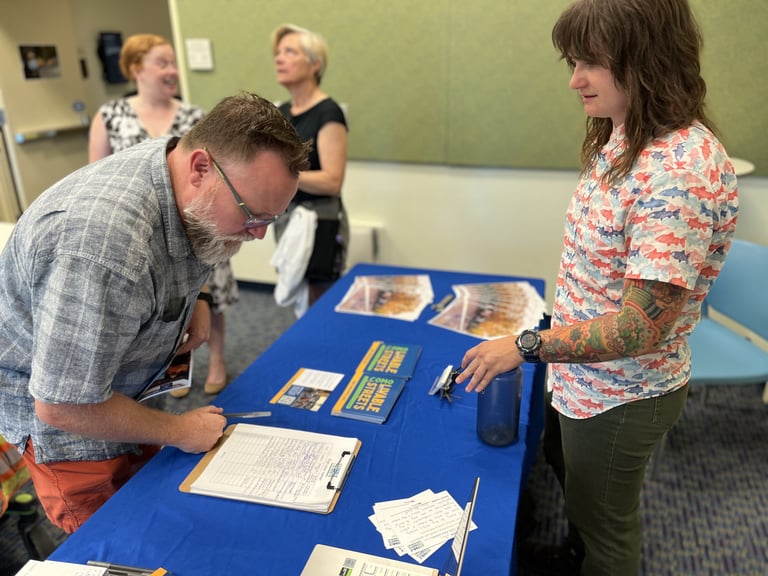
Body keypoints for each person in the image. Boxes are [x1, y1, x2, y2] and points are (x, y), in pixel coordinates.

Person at [455, 1, 739, 574]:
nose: (574, 80)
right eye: (572, 61)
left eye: (591, 63)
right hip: (585, 375)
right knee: (573, 484)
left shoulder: (676, 171)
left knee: (607, 529)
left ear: (647, 61)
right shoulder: (626, 130)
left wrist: (527, 346)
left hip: (621, 391)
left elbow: (641, 325)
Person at [0, 92, 310, 533]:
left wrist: (198, 296)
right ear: (201, 168)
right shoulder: (101, 247)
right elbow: (62, 405)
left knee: (156, 508)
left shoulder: (180, 160)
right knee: (119, 540)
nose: (259, 235)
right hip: (75, 431)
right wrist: (178, 431)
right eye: (252, 214)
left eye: (270, 219)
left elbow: (198, 232)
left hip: (132, 387)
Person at [89, 33, 233, 397]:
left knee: (209, 295)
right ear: (137, 68)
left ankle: (217, 358)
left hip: (196, 228)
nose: (172, 71)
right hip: (141, 234)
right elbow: (96, 177)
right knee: (160, 306)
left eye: (173, 63)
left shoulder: (194, 116)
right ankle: (173, 366)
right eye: (162, 63)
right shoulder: (110, 115)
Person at [271, 23, 349, 311]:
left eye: (289, 52)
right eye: (278, 52)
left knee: (319, 302)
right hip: (287, 217)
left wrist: (284, 174)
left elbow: (332, 181)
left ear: (315, 64)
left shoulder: (328, 112)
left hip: (321, 222)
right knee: (296, 299)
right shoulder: (281, 112)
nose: (279, 58)